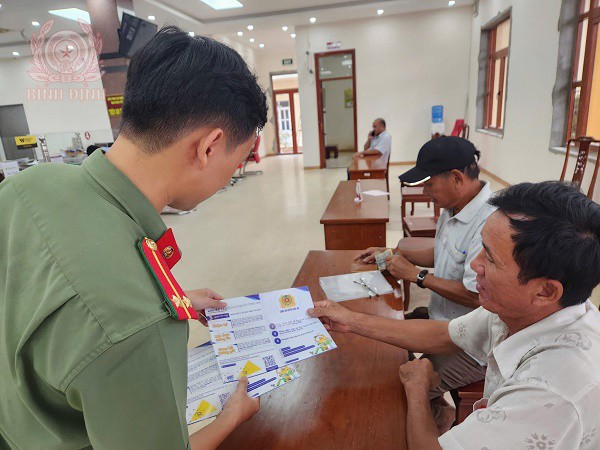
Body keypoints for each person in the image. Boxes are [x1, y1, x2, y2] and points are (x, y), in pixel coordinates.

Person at [0, 27, 267, 449]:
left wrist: (169, 302)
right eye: (239, 159)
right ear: (211, 146)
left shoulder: (29, 186)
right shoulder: (134, 325)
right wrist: (231, 418)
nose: (231, 174)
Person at [310, 181, 600, 449]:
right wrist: (350, 320)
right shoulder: (523, 311)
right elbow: (444, 334)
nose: (474, 265)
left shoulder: (550, 394)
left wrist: (417, 388)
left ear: (545, 291)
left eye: (489, 257)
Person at [356, 136, 494, 428]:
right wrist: (396, 253)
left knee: (402, 387)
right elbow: (440, 252)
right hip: (442, 319)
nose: (425, 190)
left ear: (457, 178)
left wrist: (416, 276)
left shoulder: (489, 223)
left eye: (429, 183)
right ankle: (434, 413)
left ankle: (437, 424)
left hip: (471, 344)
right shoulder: (454, 207)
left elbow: (476, 297)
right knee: (376, 344)